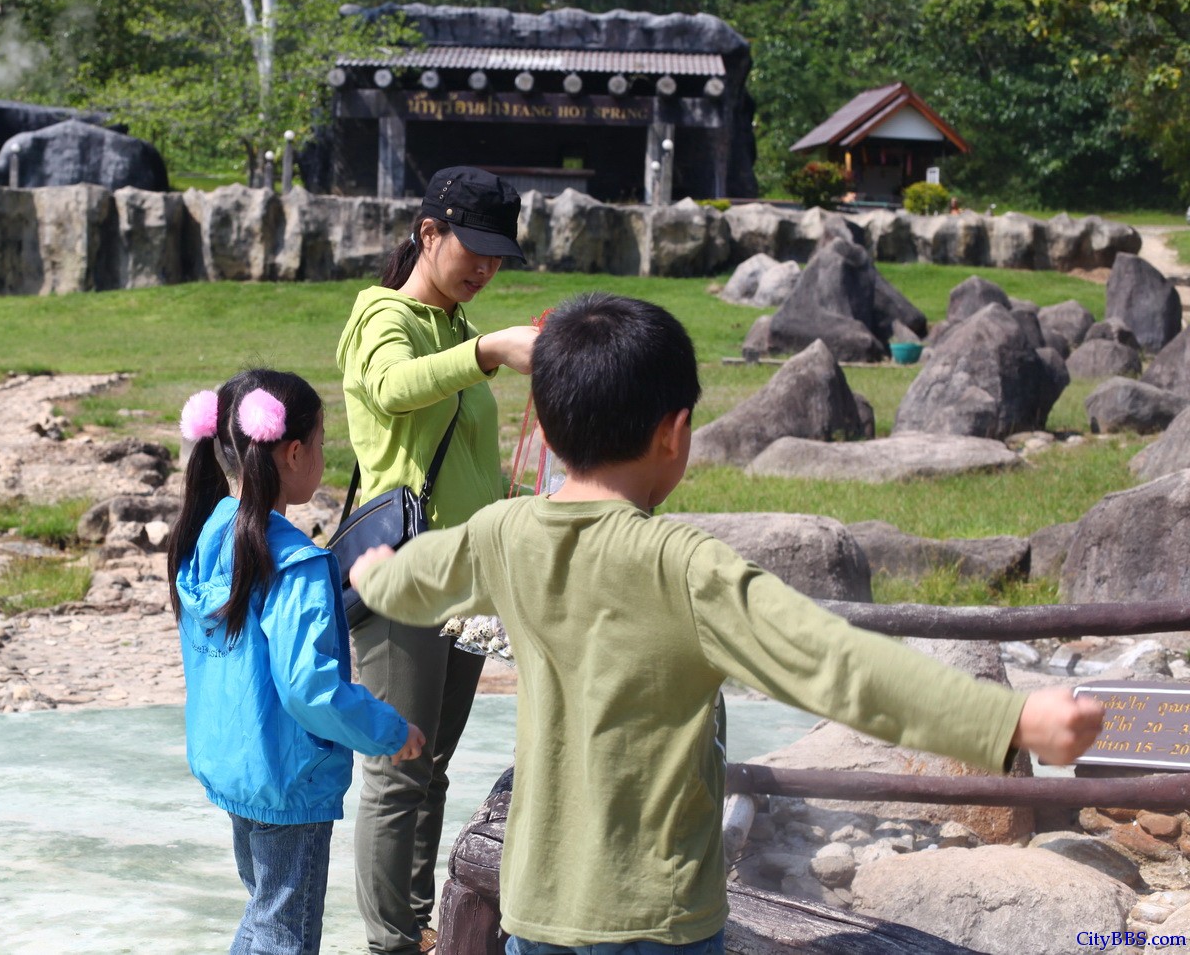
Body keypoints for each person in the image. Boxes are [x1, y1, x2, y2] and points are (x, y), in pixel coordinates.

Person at [349, 292, 1104, 955]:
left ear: (545, 423)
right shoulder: (685, 567)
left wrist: (370, 570)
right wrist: (1010, 720)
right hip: (655, 918)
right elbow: (835, 665)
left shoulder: (502, 534)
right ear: (674, 434)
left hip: (537, 912)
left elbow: (414, 580)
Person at [336, 166, 540, 955]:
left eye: (498, 256)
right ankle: (388, 941)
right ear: (429, 233)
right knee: (396, 766)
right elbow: (390, 389)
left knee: (434, 764)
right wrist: (489, 348)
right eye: (473, 249)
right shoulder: (381, 315)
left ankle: (417, 922)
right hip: (400, 573)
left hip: (460, 579)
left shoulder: (457, 328)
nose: (484, 268)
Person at [167, 369, 426, 955]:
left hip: (233, 765)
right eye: (322, 442)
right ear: (292, 450)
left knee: (266, 913)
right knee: (285, 932)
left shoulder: (203, 534)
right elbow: (310, 688)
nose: (323, 456)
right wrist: (388, 730)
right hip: (288, 780)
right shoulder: (294, 561)